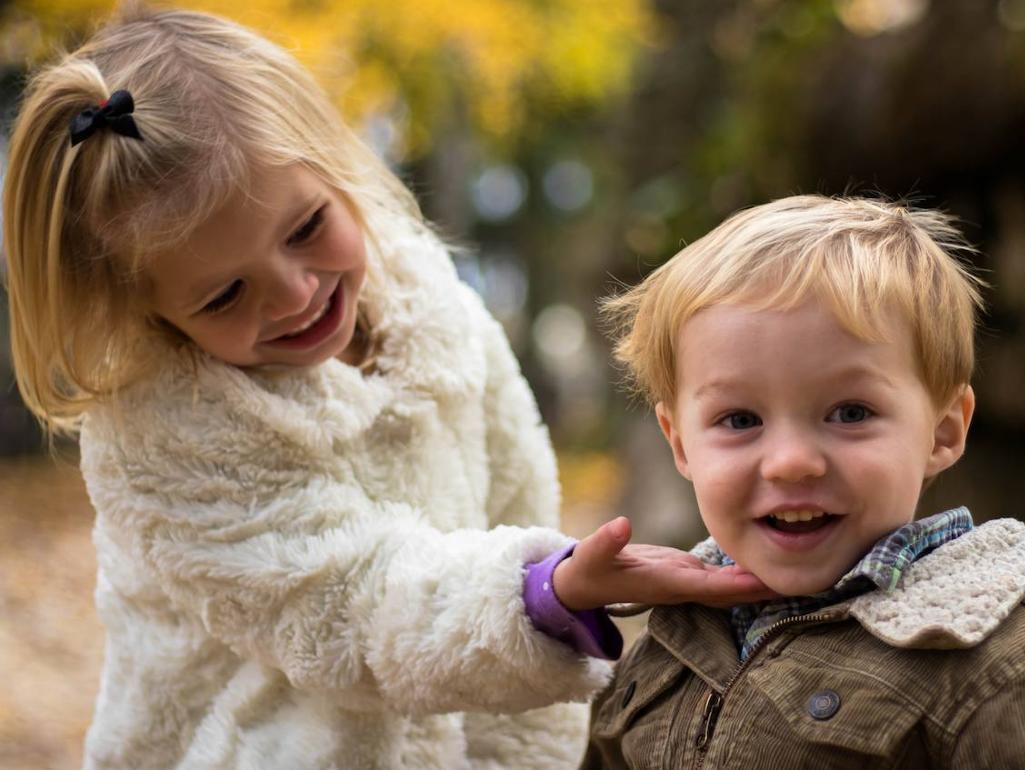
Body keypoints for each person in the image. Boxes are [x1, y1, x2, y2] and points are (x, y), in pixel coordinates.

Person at [1, 7, 773, 769]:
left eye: (306, 228)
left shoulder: (431, 310)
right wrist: (543, 597)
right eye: (224, 296)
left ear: (338, 168)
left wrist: (526, 737)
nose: (295, 293)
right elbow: (348, 609)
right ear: (150, 311)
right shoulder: (165, 436)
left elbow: (513, 492)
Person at [577, 196, 1025, 768]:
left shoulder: (1014, 675)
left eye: (850, 413)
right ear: (680, 443)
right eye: (740, 420)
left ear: (941, 431)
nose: (790, 463)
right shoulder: (671, 640)